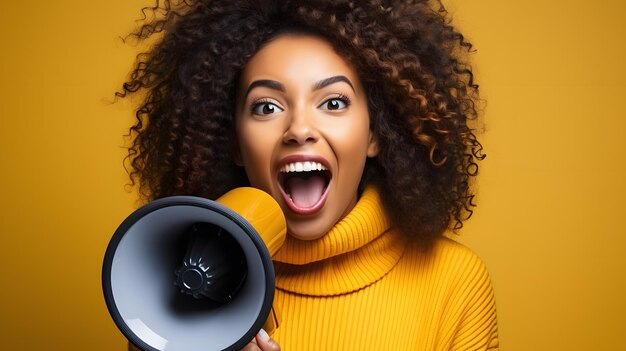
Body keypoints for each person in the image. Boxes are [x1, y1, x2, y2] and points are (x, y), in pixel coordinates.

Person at [120, 0, 499, 350]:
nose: (299, 129)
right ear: (234, 141)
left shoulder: (455, 281)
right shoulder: (166, 285)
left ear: (374, 133)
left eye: (333, 102)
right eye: (267, 106)